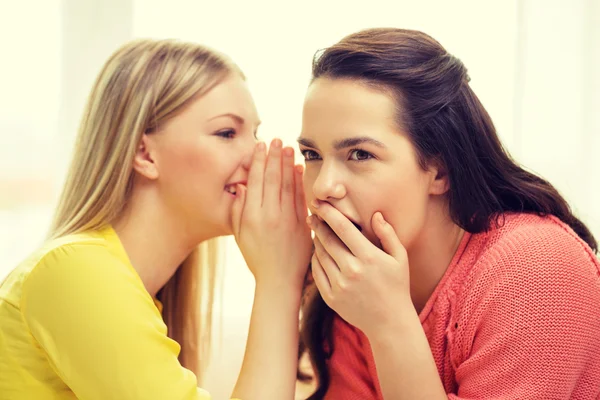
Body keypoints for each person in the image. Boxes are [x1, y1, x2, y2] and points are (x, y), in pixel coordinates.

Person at [296, 28, 600, 400]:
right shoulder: (358, 285)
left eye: (360, 154)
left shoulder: (536, 269)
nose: (324, 186)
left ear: (439, 170)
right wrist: (279, 278)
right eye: (312, 155)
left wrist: (390, 324)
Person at [0, 38, 312, 400]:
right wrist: (278, 281)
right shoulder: (76, 272)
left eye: (254, 134)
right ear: (144, 152)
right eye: (227, 133)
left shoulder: (122, 288)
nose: (256, 156)